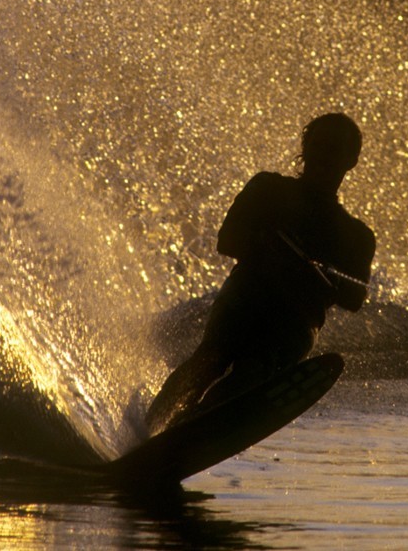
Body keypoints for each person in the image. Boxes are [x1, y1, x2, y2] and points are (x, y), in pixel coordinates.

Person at [146, 112, 376, 433]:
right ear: (305, 147)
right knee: (210, 359)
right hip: (246, 298)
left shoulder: (357, 236)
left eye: (334, 149)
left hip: (294, 324)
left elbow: (355, 298)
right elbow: (226, 241)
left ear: (351, 160)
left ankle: (188, 430)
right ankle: (149, 429)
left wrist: (326, 273)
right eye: (317, 145)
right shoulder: (267, 187)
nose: (323, 155)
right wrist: (267, 245)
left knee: (253, 376)